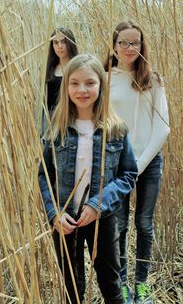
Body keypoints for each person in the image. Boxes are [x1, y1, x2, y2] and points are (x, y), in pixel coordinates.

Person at [39, 54, 138, 304]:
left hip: (102, 220)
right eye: (74, 83)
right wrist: (54, 213)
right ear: (66, 87)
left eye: (90, 83)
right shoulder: (56, 128)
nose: (82, 90)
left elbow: (128, 174)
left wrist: (98, 204)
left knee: (111, 284)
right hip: (65, 221)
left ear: (100, 86)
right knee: (72, 288)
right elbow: (44, 175)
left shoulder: (116, 129)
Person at [104, 21, 170, 304]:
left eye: (136, 42)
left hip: (149, 162)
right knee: (118, 226)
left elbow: (163, 128)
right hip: (117, 165)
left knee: (144, 224)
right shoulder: (105, 78)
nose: (130, 48)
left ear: (143, 45)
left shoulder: (153, 79)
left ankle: (141, 282)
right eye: (124, 43)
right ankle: (121, 286)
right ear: (114, 46)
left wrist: (139, 166)